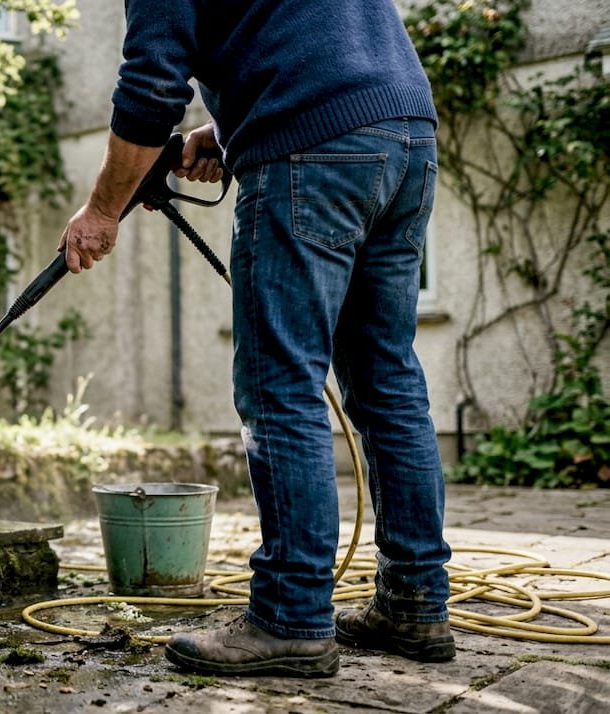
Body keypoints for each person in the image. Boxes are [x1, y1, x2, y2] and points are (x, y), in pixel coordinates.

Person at [59, 0, 454, 678]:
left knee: (281, 384)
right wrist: (227, 128)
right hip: (404, 133)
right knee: (387, 376)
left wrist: (103, 208)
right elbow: (311, 32)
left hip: (311, 149)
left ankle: (290, 617)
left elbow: (152, 81)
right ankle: (414, 606)